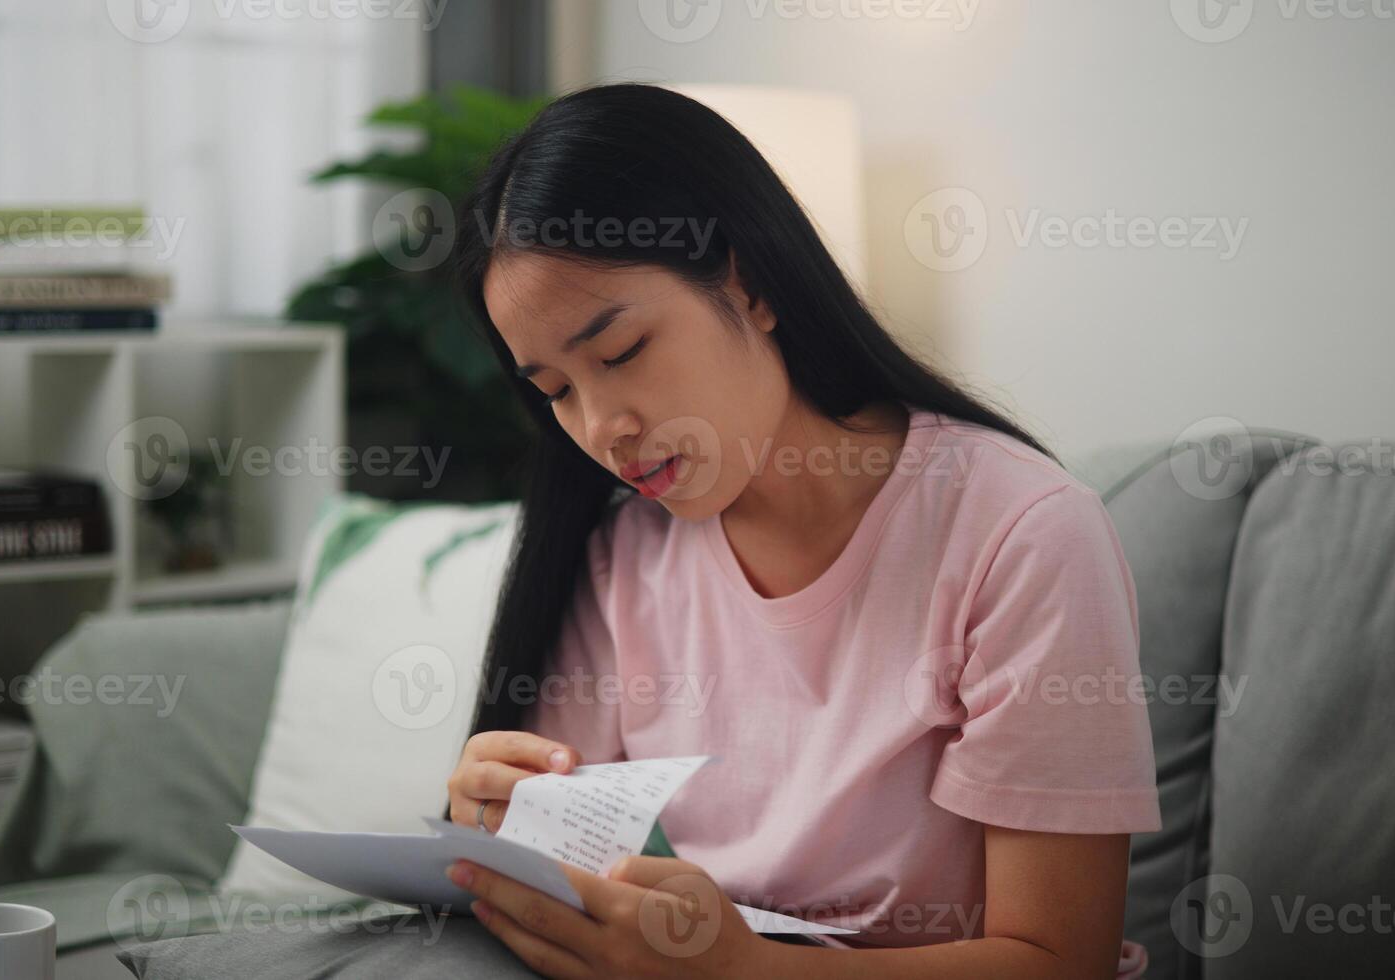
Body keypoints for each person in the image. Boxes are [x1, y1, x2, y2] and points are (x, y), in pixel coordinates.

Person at [442, 83, 1160, 979]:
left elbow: (1060, 958)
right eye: (554, 391)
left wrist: (746, 970)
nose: (600, 427)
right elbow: (566, 871)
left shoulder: (1021, 534)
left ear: (746, 283)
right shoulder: (623, 555)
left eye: (620, 353)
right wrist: (495, 825)